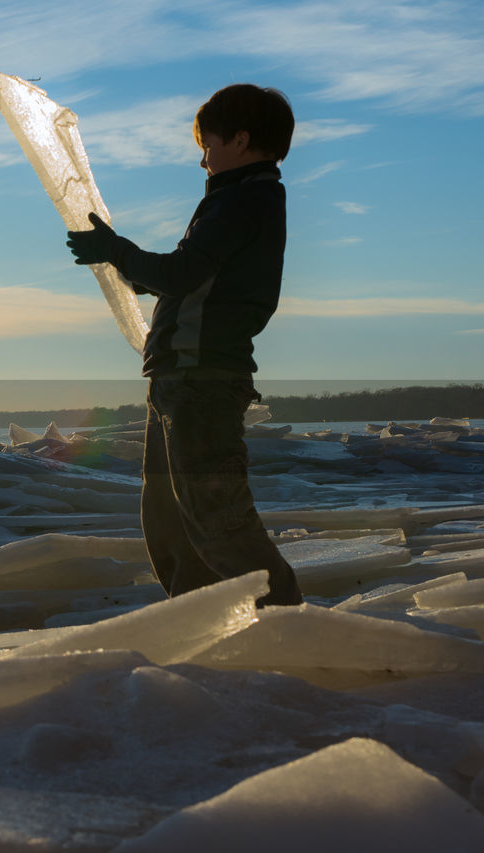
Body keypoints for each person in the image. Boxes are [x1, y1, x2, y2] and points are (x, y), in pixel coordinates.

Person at [65, 83, 303, 607]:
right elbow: (187, 279)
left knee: (216, 520)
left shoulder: (246, 200)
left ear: (240, 140)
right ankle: (198, 626)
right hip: (179, 379)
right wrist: (118, 262)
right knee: (170, 522)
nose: (202, 160)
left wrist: (118, 250)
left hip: (202, 382)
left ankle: (291, 626)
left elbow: (182, 272)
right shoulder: (232, 200)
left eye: (208, 145)